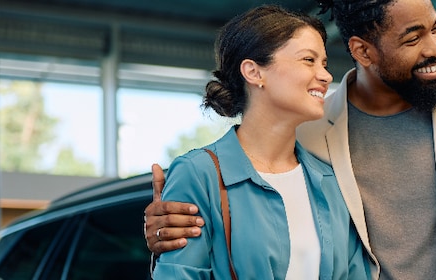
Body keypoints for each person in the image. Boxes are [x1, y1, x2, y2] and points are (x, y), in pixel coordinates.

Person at [144, 0, 436, 278]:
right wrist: (171, 220)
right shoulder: (306, 128)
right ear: (363, 50)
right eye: (413, 37)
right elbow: (245, 185)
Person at [150, 5, 371, 279]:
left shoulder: (329, 182)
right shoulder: (199, 174)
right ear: (254, 72)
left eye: (324, 63)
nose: (326, 76)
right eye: (308, 60)